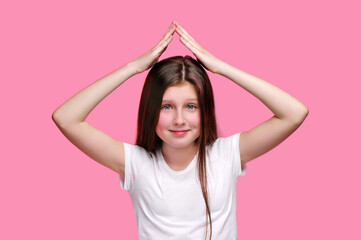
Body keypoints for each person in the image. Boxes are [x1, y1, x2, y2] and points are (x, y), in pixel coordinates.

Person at [52, 21, 309, 240]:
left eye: (190, 106)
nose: (179, 119)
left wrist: (220, 67)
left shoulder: (226, 154)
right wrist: (133, 67)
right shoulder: (135, 162)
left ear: (205, 109)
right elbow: (66, 118)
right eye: (166, 107)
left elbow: (294, 113)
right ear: (150, 110)